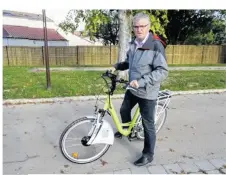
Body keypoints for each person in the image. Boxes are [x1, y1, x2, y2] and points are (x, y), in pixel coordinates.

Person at [111, 12, 168, 166]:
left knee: (148, 124)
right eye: (136, 26)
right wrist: (117, 66)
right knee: (124, 110)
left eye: (142, 26)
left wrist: (142, 81)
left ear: (148, 27)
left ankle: (148, 154)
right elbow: (130, 62)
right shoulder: (133, 43)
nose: (139, 29)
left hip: (147, 91)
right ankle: (127, 130)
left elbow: (162, 71)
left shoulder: (155, 45)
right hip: (132, 88)